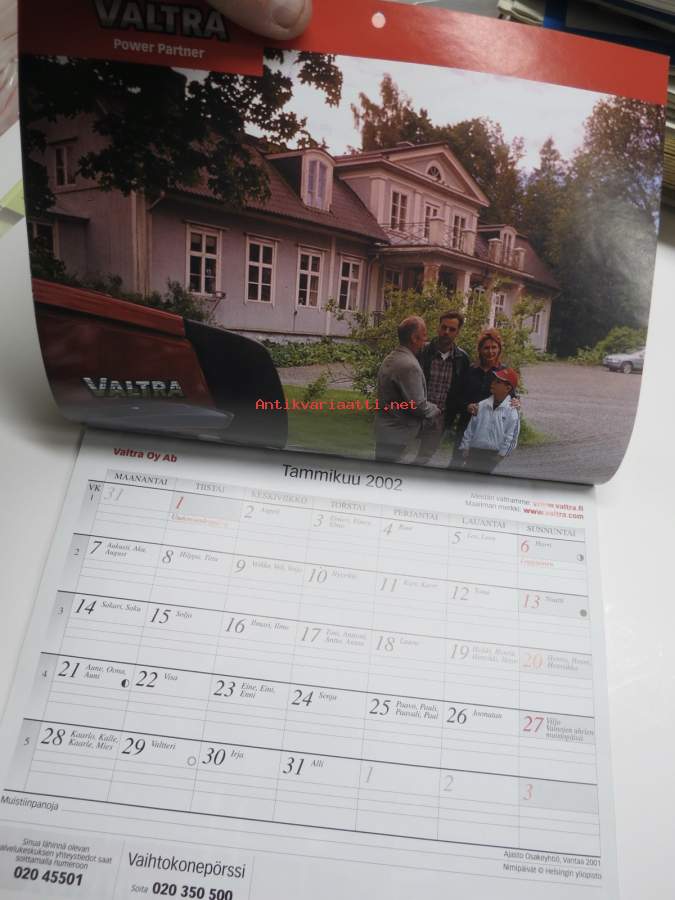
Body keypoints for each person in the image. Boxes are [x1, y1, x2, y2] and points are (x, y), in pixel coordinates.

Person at [374, 316, 441, 463]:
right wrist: (435, 409)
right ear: (414, 338)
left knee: (382, 472)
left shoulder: (391, 357)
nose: (426, 339)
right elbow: (418, 406)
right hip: (399, 435)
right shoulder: (409, 365)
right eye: (424, 335)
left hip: (386, 431)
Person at [416, 310, 470, 464]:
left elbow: (461, 390)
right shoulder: (422, 351)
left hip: (439, 419)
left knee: (423, 458)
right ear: (438, 327)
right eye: (444, 327)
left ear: (458, 332)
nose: (446, 332)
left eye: (452, 329)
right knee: (399, 455)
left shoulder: (462, 358)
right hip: (415, 413)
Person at [458, 368, 520, 473]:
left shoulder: (512, 410)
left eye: (498, 382)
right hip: (474, 451)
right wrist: (465, 446)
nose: (493, 383)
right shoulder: (481, 405)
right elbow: (471, 428)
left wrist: (502, 455)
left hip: (494, 454)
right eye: (494, 380)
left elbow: (512, 435)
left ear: (508, 388)